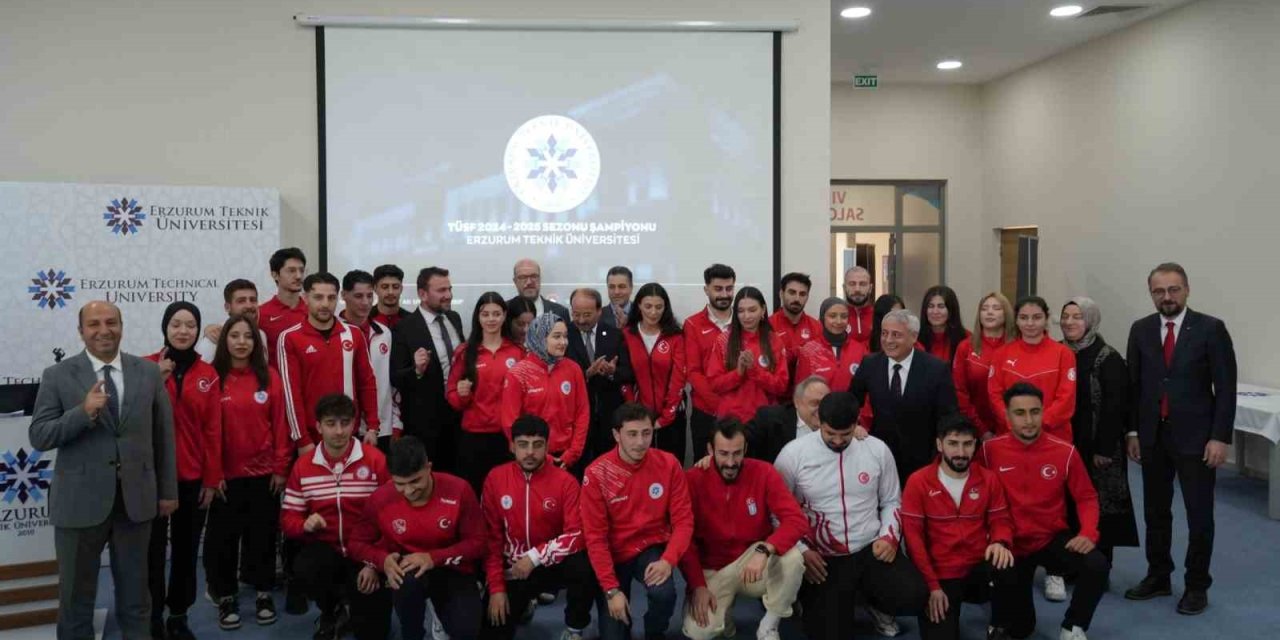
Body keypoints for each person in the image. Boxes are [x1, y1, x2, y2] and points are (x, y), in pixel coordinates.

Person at [30, 300, 177, 640]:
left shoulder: (148, 372)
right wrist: (82, 413)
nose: (103, 330)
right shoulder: (58, 375)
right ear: (81, 331)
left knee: (136, 597)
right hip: (78, 506)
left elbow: (163, 435)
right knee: (75, 600)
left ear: (122, 326)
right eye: (94, 324)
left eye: (111, 322)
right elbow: (39, 436)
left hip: (136, 503)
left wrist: (168, 491)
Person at [1123, 263, 1236, 615]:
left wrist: (1219, 437)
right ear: (1151, 293)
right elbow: (1134, 386)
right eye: (1159, 291)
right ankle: (1158, 575)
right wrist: (1133, 432)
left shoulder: (1210, 328)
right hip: (1153, 437)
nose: (1167, 297)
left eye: (1173, 289)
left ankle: (1196, 585)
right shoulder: (1140, 330)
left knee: (1199, 515)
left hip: (1197, 440)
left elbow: (1226, 387)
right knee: (1156, 512)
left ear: (1187, 290)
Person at [775, 392, 928, 640]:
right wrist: (801, 551)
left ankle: (873, 602)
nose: (837, 441)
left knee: (914, 595)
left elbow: (891, 501)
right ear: (819, 422)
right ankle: (811, 598)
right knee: (828, 633)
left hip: (868, 547)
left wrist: (889, 537)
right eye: (830, 434)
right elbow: (777, 512)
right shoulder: (792, 455)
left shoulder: (877, 450)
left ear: (856, 423)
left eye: (845, 434)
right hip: (821, 557)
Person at [984, 384, 1108, 640]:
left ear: (1043, 412)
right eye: (1020, 413)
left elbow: (1086, 497)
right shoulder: (988, 452)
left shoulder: (1064, 452)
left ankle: (1073, 627)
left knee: (1096, 564)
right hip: (1011, 545)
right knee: (1021, 630)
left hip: (1050, 539)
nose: (1029, 420)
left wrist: (1087, 533)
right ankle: (1003, 619)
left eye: (1035, 411)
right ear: (1007, 416)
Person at [679, 419, 809, 640]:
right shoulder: (691, 480)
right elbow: (684, 539)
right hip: (712, 569)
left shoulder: (764, 472)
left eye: (737, 453)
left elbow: (796, 519)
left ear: (745, 449)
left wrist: (766, 549)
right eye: (723, 453)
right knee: (701, 632)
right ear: (710, 450)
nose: (731, 462)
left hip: (752, 561)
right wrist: (697, 585)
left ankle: (769, 625)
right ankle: (723, 619)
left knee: (793, 558)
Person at [280, 394, 392, 640]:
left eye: (345, 423)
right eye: (331, 424)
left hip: (367, 555)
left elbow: (393, 519)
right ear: (319, 426)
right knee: (306, 566)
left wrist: (374, 563)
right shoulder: (303, 466)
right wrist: (303, 524)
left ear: (354, 424)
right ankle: (332, 609)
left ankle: (357, 607)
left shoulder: (375, 461)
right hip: (326, 550)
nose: (339, 431)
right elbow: (288, 518)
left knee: (374, 633)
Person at [204, 315, 291, 629]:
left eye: (248, 336)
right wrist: (213, 475)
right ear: (225, 340)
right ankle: (226, 595)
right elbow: (207, 432)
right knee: (223, 540)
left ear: (256, 343)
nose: (241, 342)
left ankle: (263, 592)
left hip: (263, 475)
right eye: (235, 335)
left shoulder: (268, 377)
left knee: (263, 537)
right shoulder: (212, 377)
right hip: (225, 479)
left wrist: (281, 469)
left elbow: (281, 425)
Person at [351, 436, 485, 640]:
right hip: (408, 573)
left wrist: (433, 558)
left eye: (415, 481)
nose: (409, 491)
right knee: (406, 587)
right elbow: (357, 543)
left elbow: (478, 542)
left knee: (466, 631)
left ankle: (442, 614)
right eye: (400, 484)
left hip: (451, 569)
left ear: (428, 467)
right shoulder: (380, 498)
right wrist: (381, 561)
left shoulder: (459, 490)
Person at [581, 403, 694, 640]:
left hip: (649, 548)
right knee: (614, 635)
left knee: (664, 593)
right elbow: (595, 538)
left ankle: (655, 631)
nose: (641, 442)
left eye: (646, 433)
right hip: (613, 553)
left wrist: (668, 560)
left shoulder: (669, 464)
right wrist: (612, 590)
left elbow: (683, 521)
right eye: (632, 434)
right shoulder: (596, 473)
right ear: (616, 435)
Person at [145, 301, 223, 640]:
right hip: (150, 478)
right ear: (165, 327)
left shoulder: (209, 374)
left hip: (192, 478)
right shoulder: (145, 367)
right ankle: (151, 615)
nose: (183, 331)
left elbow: (213, 431)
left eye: (190, 325)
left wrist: (211, 478)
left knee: (186, 549)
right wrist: (154, 380)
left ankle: (179, 614)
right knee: (151, 551)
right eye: (176, 324)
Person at [481, 416, 598, 640]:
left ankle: (574, 629)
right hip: (513, 567)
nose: (530, 452)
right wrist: (496, 587)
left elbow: (577, 534)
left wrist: (535, 557)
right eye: (523, 445)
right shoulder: (495, 479)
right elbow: (491, 538)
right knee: (489, 630)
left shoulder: (566, 482)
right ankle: (523, 605)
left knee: (584, 565)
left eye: (537, 445)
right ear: (512, 446)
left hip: (551, 565)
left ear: (547, 446)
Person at [900, 415, 1016, 640]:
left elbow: (1001, 520)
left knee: (1007, 564)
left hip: (977, 567)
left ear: (975, 444)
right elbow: (914, 542)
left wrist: (1000, 541)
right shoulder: (918, 482)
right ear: (939, 444)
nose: (961, 452)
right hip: (940, 575)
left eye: (967, 444)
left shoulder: (989, 479)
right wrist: (932, 587)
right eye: (953, 443)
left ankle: (998, 626)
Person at [1061, 298, 1138, 567]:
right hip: (1066, 444)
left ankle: (1098, 567)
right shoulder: (1058, 351)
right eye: (1066, 316)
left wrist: (1104, 449)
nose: (1069, 322)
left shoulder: (1108, 357)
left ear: (1091, 320)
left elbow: (1116, 407)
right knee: (1068, 504)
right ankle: (1069, 564)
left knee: (1099, 506)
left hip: (1097, 447)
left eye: (1077, 316)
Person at [849, 309, 959, 485]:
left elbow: (948, 416)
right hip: (880, 456)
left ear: (913, 337)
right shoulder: (870, 364)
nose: (888, 340)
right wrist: (853, 426)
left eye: (896, 335)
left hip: (923, 460)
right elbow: (851, 401)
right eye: (884, 333)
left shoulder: (936, 369)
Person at [278, 272, 380, 452]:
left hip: (350, 435)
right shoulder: (290, 338)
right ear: (305, 298)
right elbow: (291, 394)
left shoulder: (354, 334)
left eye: (331, 298)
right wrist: (302, 440)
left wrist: (372, 427)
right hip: (311, 439)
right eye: (318, 297)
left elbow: (367, 383)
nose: (325, 304)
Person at [446, 292, 524, 496]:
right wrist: (462, 394)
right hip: (474, 438)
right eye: (486, 314)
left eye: (496, 314)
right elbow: (452, 398)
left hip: (508, 437)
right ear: (478, 317)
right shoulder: (465, 352)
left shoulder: (518, 352)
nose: (491, 319)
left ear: (505, 316)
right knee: (473, 494)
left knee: (507, 494)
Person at [391, 266, 465, 470]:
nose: (448, 295)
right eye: (441, 291)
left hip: (460, 418)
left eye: (449, 289)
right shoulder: (404, 328)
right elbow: (395, 377)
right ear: (422, 294)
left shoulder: (454, 318)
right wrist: (416, 370)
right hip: (426, 425)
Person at [500, 313, 590, 471]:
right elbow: (510, 423)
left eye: (565, 336)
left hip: (568, 457)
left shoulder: (573, 369)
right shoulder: (518, 373)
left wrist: (573, 453)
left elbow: (582, 412)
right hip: (530, 457)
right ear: (540, 338)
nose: (563, 342)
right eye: (556, 336)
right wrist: (541, 455)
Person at [987, 296, 1076, 440]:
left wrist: (1036, 424)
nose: (1030, 323)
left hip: (1053, 437)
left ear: (1046, 319)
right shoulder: (1001, 354)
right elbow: (994, 395)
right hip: (1010, 436)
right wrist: (1016, 423)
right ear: (1016, 320)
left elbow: (1066, 399)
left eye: (1037, 317)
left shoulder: (1064, 354)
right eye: (1023, 317)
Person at [566, 288, 634, 466]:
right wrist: (586, 374)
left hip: (608, 415)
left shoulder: (614, 334)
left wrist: (612, 373)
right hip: (574, 418)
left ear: (599, 311)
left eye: (587, 314)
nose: (581, 320)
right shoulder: (564, 335)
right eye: (576, 314)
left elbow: (628, 372)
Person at [622, 283, 688, 461]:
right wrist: (634, 412)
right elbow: (624, 377)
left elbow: (678, 379)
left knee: (671, 465)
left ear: (665, 308)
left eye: (659, 307)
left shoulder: (676, 336)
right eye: (648, 306)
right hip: (638, 417)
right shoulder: (627, 335)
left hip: (672, 416)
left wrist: (665, 417)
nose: (653, 312)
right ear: (639, 306)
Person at [706, 287, 789, 423]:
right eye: (741, 311)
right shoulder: (723, 340)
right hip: (731, 421)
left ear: (762, 310)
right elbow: (714, 384)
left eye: (752, 310)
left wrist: (754, 371)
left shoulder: (774, 340)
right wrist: (738, 373)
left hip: (765, 419)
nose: (746, 316)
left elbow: (781, 385)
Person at [341, 270, 403, 451]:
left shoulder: (384, 333)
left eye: (370, 296)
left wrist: (395, 422)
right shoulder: (335, 332)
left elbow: (391, 382)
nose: (366, 302)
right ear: (344, 296)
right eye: (358, 296)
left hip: (381, 427)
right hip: (343, 427)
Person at [683, 263, 736, 462]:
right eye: (718, 289)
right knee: (705, 469)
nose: (724, 294)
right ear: (707, 289)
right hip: (705, 413)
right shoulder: (693, 324)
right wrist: (720, 405)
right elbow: (693, 372)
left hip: (739, 411)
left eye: (729, 288)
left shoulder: (743, 321)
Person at [953, 292, 1014, 439]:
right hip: (974, 429)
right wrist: (982, 431)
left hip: (1012, 428)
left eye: (996, 308)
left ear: (1006, 313)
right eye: (985, 308)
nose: (990, 312)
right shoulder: (965, 347)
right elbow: (960, 392)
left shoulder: (1016, 346)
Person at [746, 376, 831, 464]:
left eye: (826, 403)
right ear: (797, 402)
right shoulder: (769, 419)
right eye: (815, 403)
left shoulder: (837, 423)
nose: (821, 409)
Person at [793, 297, 868, 394]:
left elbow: (867, 390)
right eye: (832, 316)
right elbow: (801, 391)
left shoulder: (860, 350)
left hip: (852, 408)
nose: (839, 321)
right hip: (819, 408)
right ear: (822, 317)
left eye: (844, 316)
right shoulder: (809, 350)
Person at [769, 272, 822, 393]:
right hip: (775, 398)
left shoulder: (817, 327)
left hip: (807, 397)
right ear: (781, 294)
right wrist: (799, 352)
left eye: (802, 294)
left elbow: (819, 363)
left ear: (807, 297)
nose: (797, 298)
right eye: (792, 292)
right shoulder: (767, 326)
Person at [195, 279, 266, 364]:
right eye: (241, 301)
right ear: (227, 307)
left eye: (253, 300)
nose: (249, 305)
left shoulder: (261, 335)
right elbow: (202, 373)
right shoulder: (214, 337)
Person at [259, 247, 308, 368]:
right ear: (275, 275)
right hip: (276, 384)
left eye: (301, 271)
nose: (298, 276)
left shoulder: (313, 312)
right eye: (291, 271)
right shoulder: (261, 313)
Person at [918, 286, 969, 368]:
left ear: (951, 310)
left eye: (941, 306)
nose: (935, 311)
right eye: (931, 306)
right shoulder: (914, 339)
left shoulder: (966, 339)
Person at [842, 266, 876, 348]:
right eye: (852, 284)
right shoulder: (833, 317)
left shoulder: (881, 316)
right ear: (844, 288)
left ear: (870, 288)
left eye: (863, 284)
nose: (857, 289)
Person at [372, 264, 413, 330]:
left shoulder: (413, 321)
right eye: (385, 287)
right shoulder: (364, 319)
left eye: (395, 287)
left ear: (401, 289)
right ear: (375, 288)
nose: (390, 292)